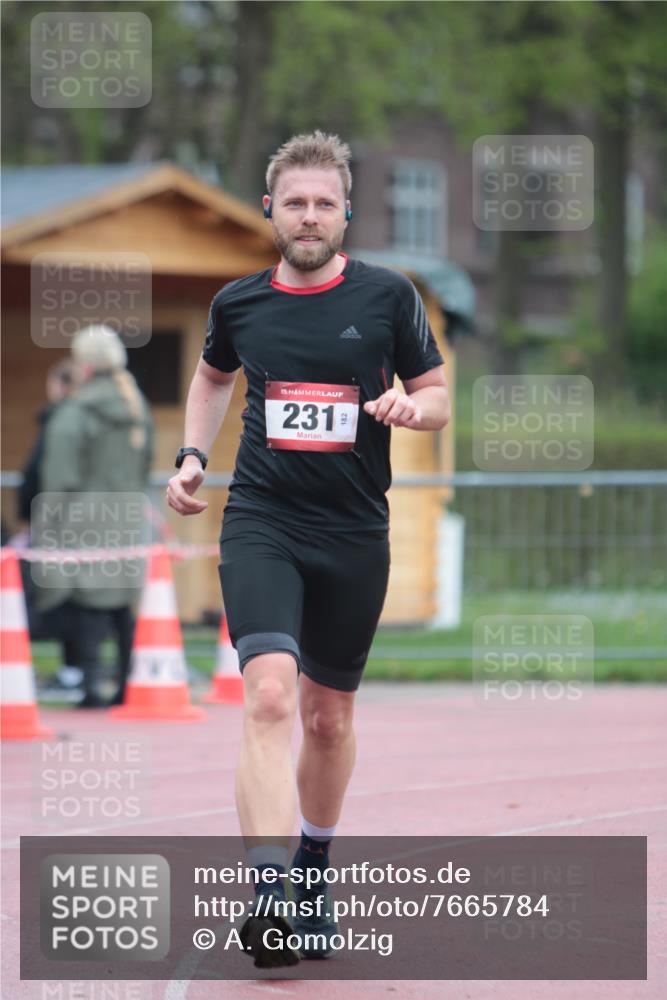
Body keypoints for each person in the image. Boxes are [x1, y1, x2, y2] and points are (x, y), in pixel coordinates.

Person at [166, 131, 451, 967]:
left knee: (327, 719)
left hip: (353, 532)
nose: (309, 215)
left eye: (324, 202)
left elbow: (436, 395)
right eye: (294, 202)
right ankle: (269, 896)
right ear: (270, 210)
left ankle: (313, 873)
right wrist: (191, 455)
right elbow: (212, 376)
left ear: (346, 212)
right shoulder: (238, 303)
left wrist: (412, 410)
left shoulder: (389, 296)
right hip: (263, 520)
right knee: (266, 697)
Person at [33, 325, 154, 708]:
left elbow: (59, 478)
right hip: (126, 519)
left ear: (83, 365)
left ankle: (90, 686)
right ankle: (127, 686)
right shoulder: (136, 407)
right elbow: (146, 465)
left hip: (81, 520)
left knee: (86, 601)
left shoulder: (75, 412)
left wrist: (44, 528)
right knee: (121, 605)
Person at [15, 359, 83, 691]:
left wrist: (30, 515)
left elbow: (38, 472)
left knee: (53, 594)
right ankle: (75, 669)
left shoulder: (60, 420)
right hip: (75, 519)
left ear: (61, 386)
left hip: (56, 520)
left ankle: (71, 669)